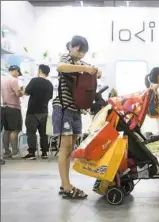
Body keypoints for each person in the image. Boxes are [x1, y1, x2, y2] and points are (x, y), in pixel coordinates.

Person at [52, 35, 101, 199]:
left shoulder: (81, 63)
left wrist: (95, 70)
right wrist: (86, 69)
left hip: (75, 110)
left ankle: (65, 184)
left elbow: (96, 72)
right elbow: (60, 67)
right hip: (63, 108)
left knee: (70, 147)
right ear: (72, 47)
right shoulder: (66, 58)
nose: (81, 54)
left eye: (84, 51)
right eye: (79, 50)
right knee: (65, 148)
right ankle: (66, 187)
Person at [22, 64, 53, 160]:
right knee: (44, 133)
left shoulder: (34, 81)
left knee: (31, 133)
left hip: (32, 111)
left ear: (39, 70)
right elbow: (50, 97)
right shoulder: (50, 84)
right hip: (44, 111)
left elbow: (26, 92)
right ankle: (44, 153)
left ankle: (32, 153)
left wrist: (22, 90)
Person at [1, 65, 25, 159]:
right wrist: (22, 91)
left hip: (4, 108)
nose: (18, 75)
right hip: (14, 108)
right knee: (15, 130)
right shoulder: (14, 80)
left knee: (7, 131)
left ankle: (7, 152)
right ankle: (15, 152)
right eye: (18, 72)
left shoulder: (2, 79)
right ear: (16, 70)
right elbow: (18, 94)